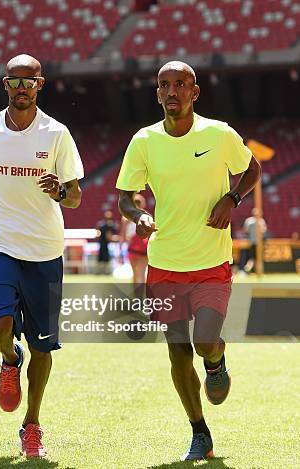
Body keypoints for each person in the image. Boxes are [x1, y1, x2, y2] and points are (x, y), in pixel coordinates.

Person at [116, 61, 260, 461]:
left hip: (211, 262)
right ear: (158, 93)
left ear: (195, 93)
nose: (172, 91)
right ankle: (199, 432)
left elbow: (252, 168)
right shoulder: (143, 141)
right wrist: (138, 215)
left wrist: (232, 199)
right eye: (165, 85)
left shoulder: (218, 133)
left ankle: (216, 362)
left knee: (204, 343)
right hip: (164, 265)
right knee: (177, 351)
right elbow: (125, 197)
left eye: (181, 84)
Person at [0, 54, 83, 458]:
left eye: (28, 81)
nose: (21, 88)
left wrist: (58, 191)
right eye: (14, 81)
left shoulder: (56, 134)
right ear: (5, 85)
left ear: (40, 84)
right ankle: (7, 358)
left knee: (44, 347)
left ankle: (32, 424)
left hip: (46, 250)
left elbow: (75, 196)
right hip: (1, 244)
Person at [120, 193, 149, 296]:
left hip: (132, 248)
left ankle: (137, 296)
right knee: (141, 273)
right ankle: (142, 296)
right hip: (144, 248)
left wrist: (120, 250)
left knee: (135, 274)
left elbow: (123, 236)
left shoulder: (126, 218)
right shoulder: (147, 217)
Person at [240, 208, 267, 273]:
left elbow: (245, 230)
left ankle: (250, 269)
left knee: (253, 258)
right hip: (254, 242)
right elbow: (264, 230)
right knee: (254, 258)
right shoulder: (258, 221)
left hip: (254, 242)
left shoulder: (254, 220)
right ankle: (249, 269)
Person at [96, 210, 118, 274]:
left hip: (106, 243)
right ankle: (102, 271)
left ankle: (103, 271)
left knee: (104, 258)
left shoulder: (105, 224)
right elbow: (109, 235)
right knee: (103, 258)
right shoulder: (106, 224)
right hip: (104, 243)